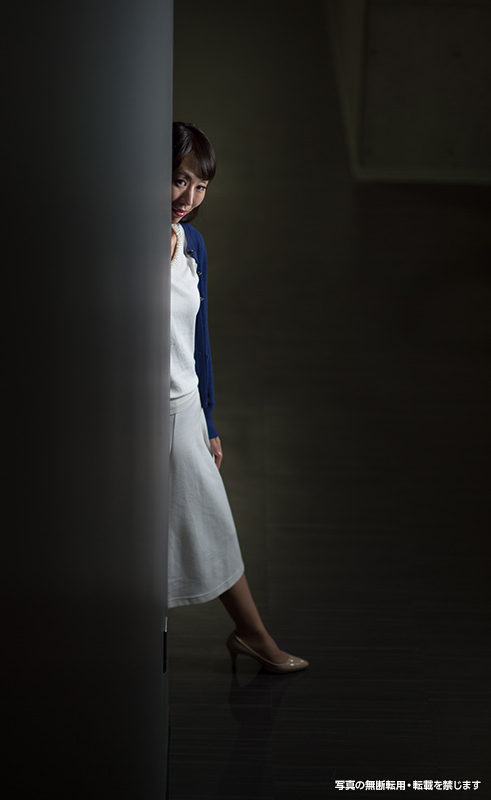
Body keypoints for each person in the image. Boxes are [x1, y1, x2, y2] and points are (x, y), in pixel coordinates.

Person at [169, 121, 308, 675]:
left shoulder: (193, 245)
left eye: (201, 186)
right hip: (131, 421)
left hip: (182, 410)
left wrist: (208, 421)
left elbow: (198, 342)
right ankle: (252, 636)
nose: (189, 198)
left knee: (213, 523)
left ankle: (253, 635)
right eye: (179, 180)